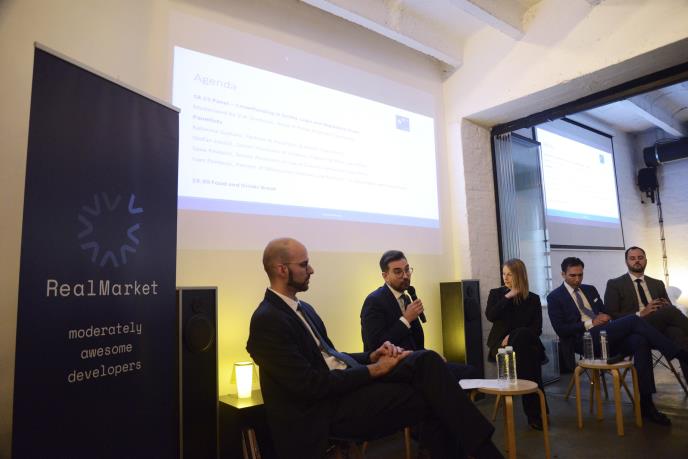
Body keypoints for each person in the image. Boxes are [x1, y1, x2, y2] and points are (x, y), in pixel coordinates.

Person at [246, 238, 503, 459]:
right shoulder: (267, 320)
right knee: (434, 393)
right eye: (304, 265)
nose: (311, 269)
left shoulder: (304, 309)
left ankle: (482, 451)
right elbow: (310, 384)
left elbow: (332, 356)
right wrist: (374, 369)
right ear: (282, 269)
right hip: (325, 409)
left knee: (429, 365)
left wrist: (371, 356)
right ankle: (485, 451)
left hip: (347, 386)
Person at [547, 257, 688, 425]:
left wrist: (605, 316)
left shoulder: (590, 290)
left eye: (580, 275)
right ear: (563, 274)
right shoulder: (554, 297)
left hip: (607, 334)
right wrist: (590, 322)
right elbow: (561, 330)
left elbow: (606, 312)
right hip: (585, 340)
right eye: (573, 275)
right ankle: (679, 354)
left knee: (640, 340)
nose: (577, 279)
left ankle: (646, 404)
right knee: (634, 320)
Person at [360, 250, 480, 381]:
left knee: (470, 372)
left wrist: (431, 356)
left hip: (415, 363)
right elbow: (376, 346)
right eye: (398, 272)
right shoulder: (374, 301)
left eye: (407, 270)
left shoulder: (406, 298)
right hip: (393, 369)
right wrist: (406, 320)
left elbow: (417, 344)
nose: (405, 276)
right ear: (385, 276)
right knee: (464, 374)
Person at [604, 246, 688, 382]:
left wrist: (665, 305)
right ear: (626, 262)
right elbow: (612, 315)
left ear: (646, 260)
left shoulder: (657, 283)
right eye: (632, 258)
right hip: (633, 328)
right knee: (670, 312)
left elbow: (669, 309)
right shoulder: (615, 284)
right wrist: (641, 313)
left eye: (640, 258)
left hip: (658, 328)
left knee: (678, 333)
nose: (637, 261)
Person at [485, 258, 547, 430]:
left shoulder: (533, 299)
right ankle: (538, 413)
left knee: (522, 341)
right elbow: (491, 316)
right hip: (501, 346)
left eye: (510, 275)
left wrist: (512, 336)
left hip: (523, 345)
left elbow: (536, 329)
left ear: (519, 275)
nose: (505, 278)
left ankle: (536, 413)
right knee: (529, 358)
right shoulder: (497, 294)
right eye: (503, 274)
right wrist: (508, 296)